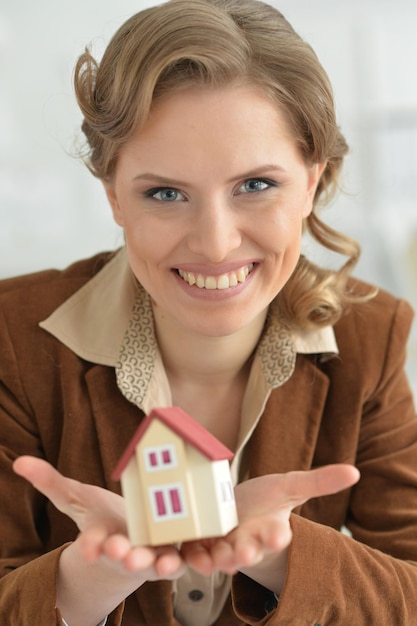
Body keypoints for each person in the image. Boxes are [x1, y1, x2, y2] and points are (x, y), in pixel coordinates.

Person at [0, 0, 416, 623]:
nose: (215, 243)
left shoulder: (369, 335)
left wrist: (283, 555)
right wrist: (85, 580)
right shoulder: (12, 337)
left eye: (255, 185)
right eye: (165, 193)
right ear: (113, 195)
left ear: (311, 181)